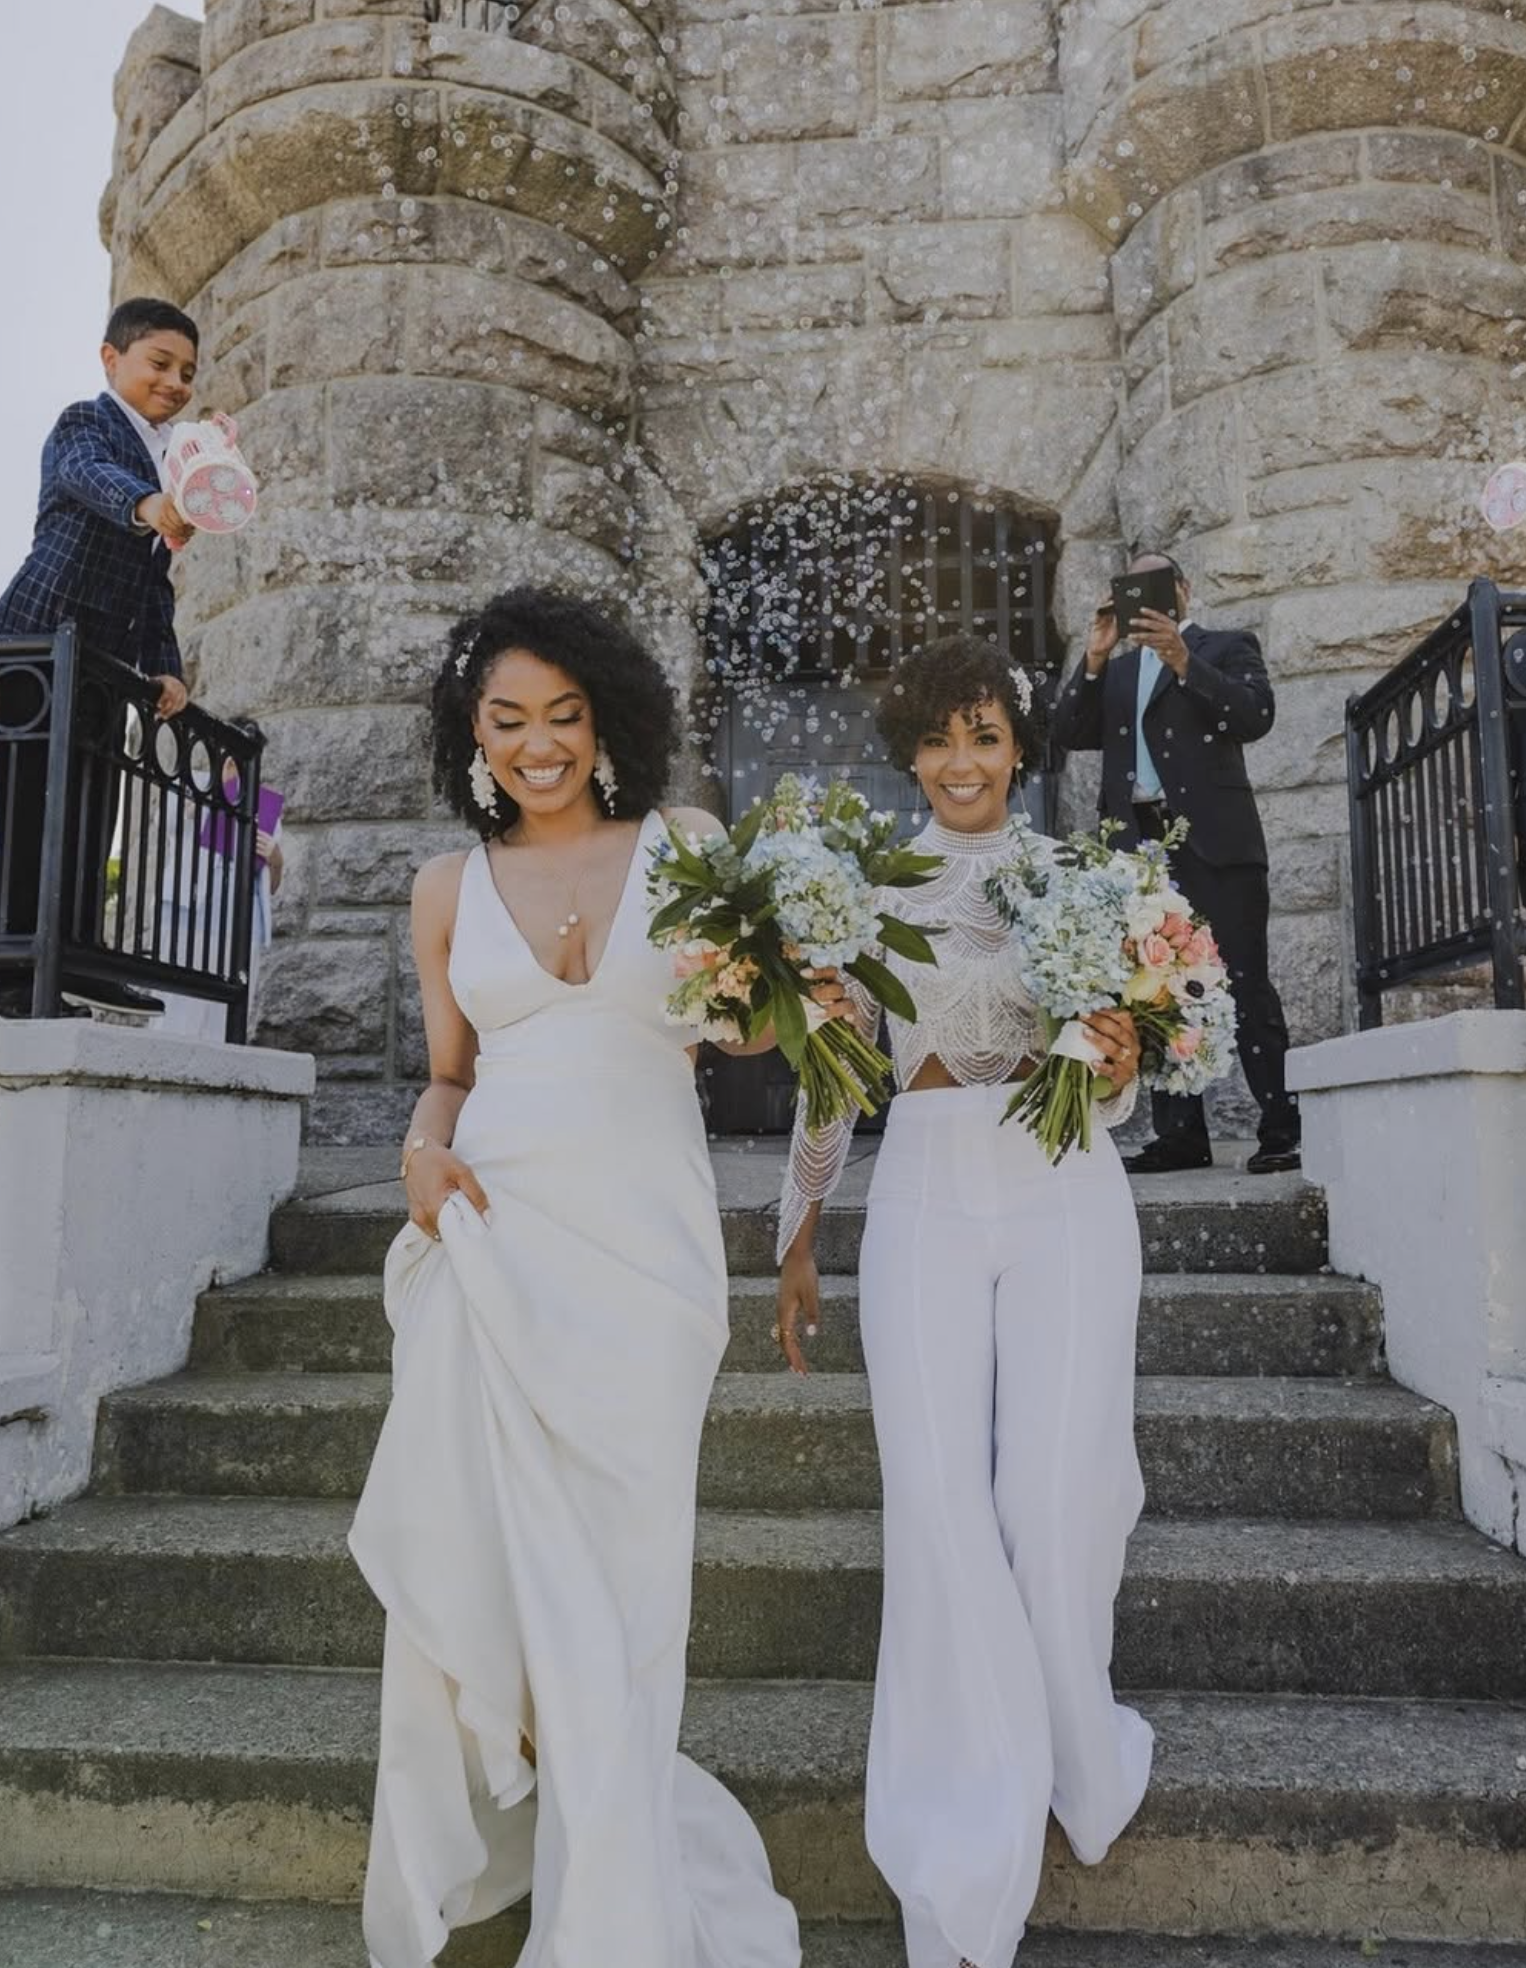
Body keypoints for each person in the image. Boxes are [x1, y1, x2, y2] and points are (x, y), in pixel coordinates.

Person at [348, 587, 806, 1968]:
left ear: (604, 717)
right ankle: (584, 1894)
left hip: (645, 1253)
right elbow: (446, 1078)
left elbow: (745, 1035)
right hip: (489, 1243)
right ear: (469, 737)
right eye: (506, 722)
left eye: (561, 715)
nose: (536, 745)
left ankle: (613, 1900)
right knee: (493, 1556)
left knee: (627, 1581)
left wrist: (771, 1001)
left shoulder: (688, 847)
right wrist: (417, 1159)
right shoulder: (444, 889)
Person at [775, 635, 1153, 1968]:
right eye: (937, 737)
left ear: (1018, 748)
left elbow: (1114, 1084)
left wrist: (1115, 1061)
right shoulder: (861, 886)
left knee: (1052, 1496)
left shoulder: (1077, 878)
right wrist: (798, 1230)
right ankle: (965, 1812)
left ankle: (1065, 1743)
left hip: (1062, 1186)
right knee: (935, 1495)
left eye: (984, 734)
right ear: (909, 749)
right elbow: (832, 1075)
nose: (960, 761)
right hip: (926, 1187)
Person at [1049, 550, 1300, 1175]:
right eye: (1133, 587)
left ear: (1183, 591)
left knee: (1246, 984)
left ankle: (1281, 1129)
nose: (1147, 596)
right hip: (1141, 851)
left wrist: (1182, 660)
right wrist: (1096, 654)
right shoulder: (1117, 667)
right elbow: (1067, 730)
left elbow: (1254, 715)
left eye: (1157, 584)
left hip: (1217, 842)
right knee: (1153, 989)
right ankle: (1181, 1137)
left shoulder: (1224, 646)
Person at [0, 296, 198, 1019]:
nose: (176, 381)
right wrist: (148, 504)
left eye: (188, 372)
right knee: (25, 807)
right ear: (112, 359)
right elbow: (89, 477)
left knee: (91, 810)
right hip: (34, 647)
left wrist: (165, 663)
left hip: (103, 667)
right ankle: (14, 973)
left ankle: (79, 960)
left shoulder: (169, 458)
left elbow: (153, 584)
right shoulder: (87, 423)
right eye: (160, 363)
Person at [157, 721, 284, 1040]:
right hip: (192, 909)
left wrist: (275, 857)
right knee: (179, 1004)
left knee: (226, 1012)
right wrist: (203, 803)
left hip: (239, 919)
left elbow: (268, 887)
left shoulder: (262, 804)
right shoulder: (194, 783)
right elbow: (166, 822)